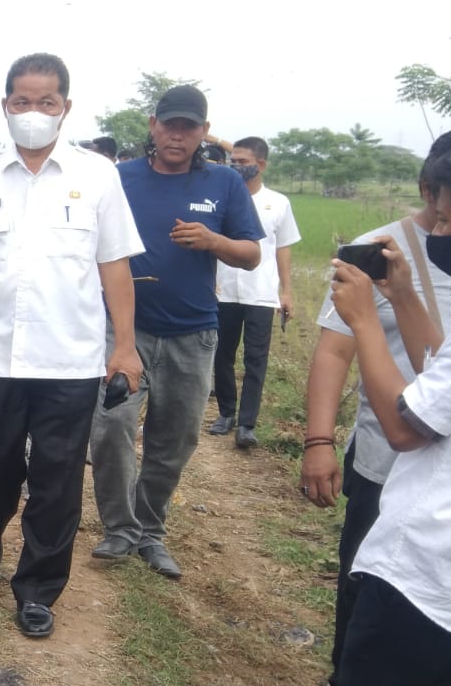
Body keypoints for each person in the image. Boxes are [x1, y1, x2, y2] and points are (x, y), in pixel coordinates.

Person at [0, 52, 144, 639]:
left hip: (69, 362)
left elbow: (115, 265)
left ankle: (38, 589)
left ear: (65, 108)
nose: (33, 113)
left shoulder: (98, 176)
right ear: (5, 106)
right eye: (21, 102)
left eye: (45, 102)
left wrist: (123, 345)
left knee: (56, 479)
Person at [303, 125, 451, 682]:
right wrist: (400, 296)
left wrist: (363, 320)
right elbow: (446, 374)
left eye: (447, 222)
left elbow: (407, 429)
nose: (439, 233)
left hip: (436, 570)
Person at [88, 85, 264, 578]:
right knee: (111, 427)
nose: (177, 135)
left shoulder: (225, 185)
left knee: (176, 438)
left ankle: (150, 530)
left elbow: (251, 255)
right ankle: (119, 528)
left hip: (193, 332)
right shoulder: (119, 179)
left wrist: (214, 241)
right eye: (169, 125)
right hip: (125, 328)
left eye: (189, 127)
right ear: (153, 125)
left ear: (203, 133)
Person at [208, 136, 300, 449]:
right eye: (233, 162)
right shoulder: (222, 197)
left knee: (255, 359)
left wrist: (286, 291)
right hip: (224, 290)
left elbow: (283, 249)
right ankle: (225, 413)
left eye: (243, 163)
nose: (236, 167)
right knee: (222, 355)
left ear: (261, 165)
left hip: (261, 293)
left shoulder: (278, 203)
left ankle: (247, 424)